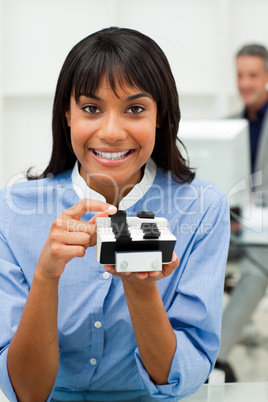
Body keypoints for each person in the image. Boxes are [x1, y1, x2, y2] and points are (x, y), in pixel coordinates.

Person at [0, 27, 230, 402]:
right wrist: (46, 276)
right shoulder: (11, 212)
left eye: (135, 109)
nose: (111, 132)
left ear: (160, 116)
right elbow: (25, 392)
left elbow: (180, 379)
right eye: (91, 109)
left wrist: (140, 287)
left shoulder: (203, 208)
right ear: (67, 115)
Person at [216, 44, 268, 382]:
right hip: (235, 229)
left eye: (252, 75)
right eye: (240, 75)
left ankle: (211, 359)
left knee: (256, 270)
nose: (244, 83)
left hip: (264, 237)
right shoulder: (226, 128)